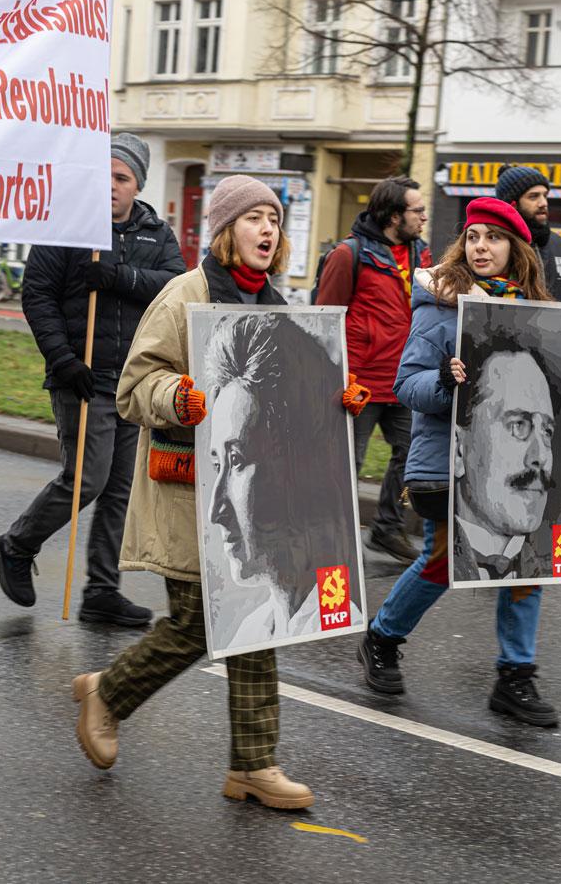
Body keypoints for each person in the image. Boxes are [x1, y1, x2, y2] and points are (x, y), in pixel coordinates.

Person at [71, 175, 360, 811]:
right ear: (228, 230)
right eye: (255, 218)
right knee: (199, 625)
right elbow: (133, 385)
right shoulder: (185, 297)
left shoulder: (281, 309)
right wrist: (176, 395)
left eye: (275, 221)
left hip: (261, 502)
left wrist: (336, 400)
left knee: (255, 618)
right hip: (192, 498)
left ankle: (253, 766)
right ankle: (108, 694)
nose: (268, 231)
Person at [356, 197, 561, 728]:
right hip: (451, 464)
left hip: (524, 469)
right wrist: (446, 381)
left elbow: (558, 396)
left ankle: (514, 676)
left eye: (492, 238)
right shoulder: (440, 304)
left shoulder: (535, 311)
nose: (480, 247)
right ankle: (381, 637)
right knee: (444, 563)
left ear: (515, 249)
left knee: (529, 563)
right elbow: (407, 386)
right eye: (472, 237)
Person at [0, 132, 185, 627]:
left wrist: (121, 278)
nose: (111, 185)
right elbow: (37, 296)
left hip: (132, 382)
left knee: (121, 490)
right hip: (82, 378)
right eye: (104, 176)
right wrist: (62, 360)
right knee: (86, 480)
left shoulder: (156, 234)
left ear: (137, 183)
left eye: (120, 178)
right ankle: (16, 545)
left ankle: (102, 591)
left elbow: (177, 288)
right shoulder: (68, 228)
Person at [203, 313, 363, 651]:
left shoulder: (334, 616)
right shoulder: (252, 632)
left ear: (299, 462)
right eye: (217, 463)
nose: (214, 510)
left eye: (236, 460)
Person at [316, 176, 432, 563]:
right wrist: (331, 377)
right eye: (418, 211)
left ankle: (388, 527)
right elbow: (322, 320)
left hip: (405, 381)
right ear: (394, 216)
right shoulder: (348, 255)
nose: (424, 217)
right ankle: (330, 538)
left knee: (413, 459)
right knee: (347, 466)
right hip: (358, 385)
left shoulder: (423, 256)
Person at [452, 327, 559, 582]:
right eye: (518, 425)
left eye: (546, 431)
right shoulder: (442, 554)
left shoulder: (547, 563)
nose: (540, 456)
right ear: (459, 449)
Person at [494, 166, 561, 303]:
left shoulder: (560, 245)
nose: (543, 203)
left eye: (545, 195)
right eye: (533, 196)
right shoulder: (493, 244)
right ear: (513, 204)